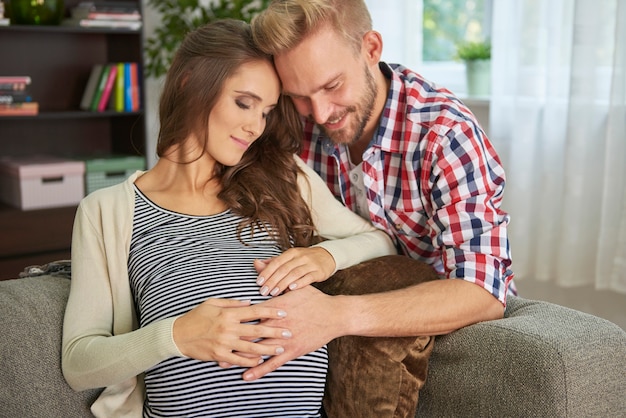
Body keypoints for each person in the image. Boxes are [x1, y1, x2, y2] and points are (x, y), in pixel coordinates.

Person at [61, 19, 396, 418]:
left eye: (267, 111)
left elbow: (381, 241)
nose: (256, 126)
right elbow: (79, 363)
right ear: (189, 84)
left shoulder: (282, 177)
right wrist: (177, 336)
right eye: (244, 102)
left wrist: (325, 258)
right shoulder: (108, 211)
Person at [244, 0, 515, 382]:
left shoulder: (445, 136)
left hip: (439, 327)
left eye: (332, 86)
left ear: (371, 49)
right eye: (299, 95)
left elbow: (482, 293)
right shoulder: (296, 123)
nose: (319, 114)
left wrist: (336, 316)